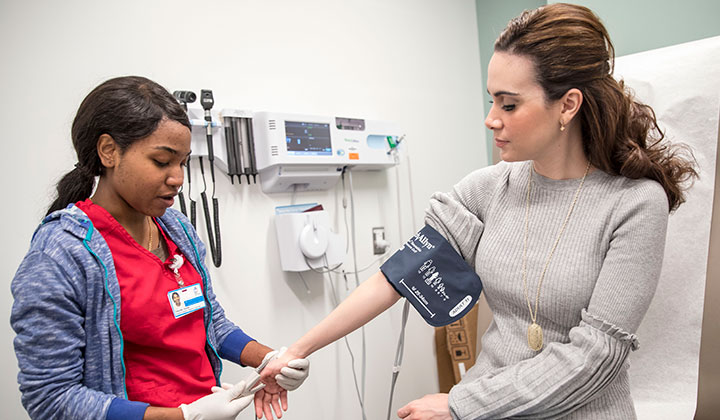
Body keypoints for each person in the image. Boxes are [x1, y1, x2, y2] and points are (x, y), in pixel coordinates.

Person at [261, 3, 698, 419]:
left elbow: (597, 354)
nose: (491, 118)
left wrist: (461, 403)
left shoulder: (634, 204)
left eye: (509, 104)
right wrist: (297, 350)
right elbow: (395, 277)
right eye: (491, 101)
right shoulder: (487, 189)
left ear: (567, 105)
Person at [10, 76, 309, 420]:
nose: (178, 178)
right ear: (109, 151)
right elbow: (51, 398)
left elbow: (208, 321)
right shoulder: (62, 254)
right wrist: (182, 416)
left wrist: (269, 359)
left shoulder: (174, 229)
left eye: (182, 162)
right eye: (162, 161)